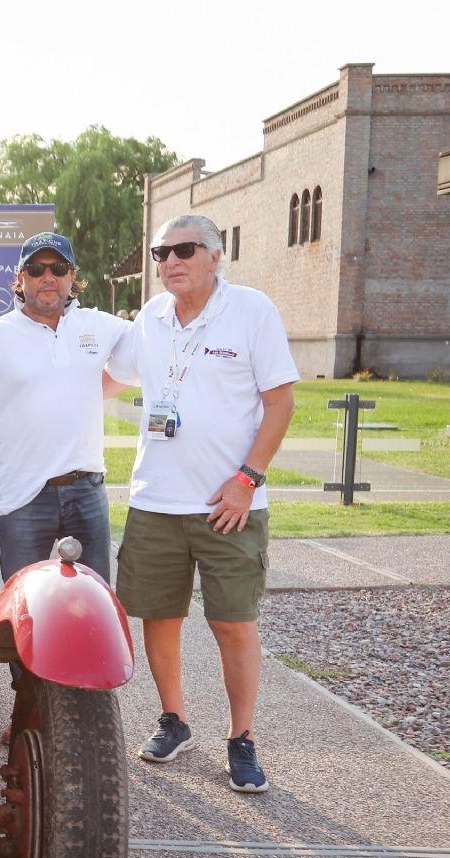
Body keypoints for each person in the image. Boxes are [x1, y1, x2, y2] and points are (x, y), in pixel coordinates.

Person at [105, 213, 297, 793]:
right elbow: (110, 379)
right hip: (157, 501)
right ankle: (175, 720)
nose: (170, 261)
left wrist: (248, 479)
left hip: (229, 503)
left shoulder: (252, 311)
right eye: (161, 253)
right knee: (159, 617)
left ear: (215, 256)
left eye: (184, 250)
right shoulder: (151, 317)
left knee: (233, 623)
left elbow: (281, 403)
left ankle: (242, 739)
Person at [0, 231, 134, 738]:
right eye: (36, 269)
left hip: (86, 491)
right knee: (27, 618)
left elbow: (145, 359)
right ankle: (30, 723)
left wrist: (91, 388)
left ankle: (88, 728)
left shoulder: (99, 326)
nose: (47, 278)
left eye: (58, 268)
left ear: (74, 277)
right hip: (24, 499)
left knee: (92, 613)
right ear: (19, 279)